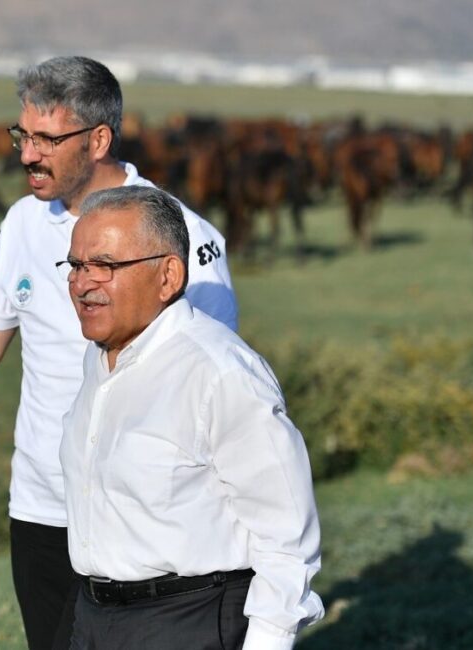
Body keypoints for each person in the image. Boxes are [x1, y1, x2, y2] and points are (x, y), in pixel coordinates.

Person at [0, 56, 240, 650]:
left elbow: (220, 391)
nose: (26, 154)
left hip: (140, 523)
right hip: (39, 511)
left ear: (99, 139)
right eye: (23, 135)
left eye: (46, 139)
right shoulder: (22, 224)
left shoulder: (183, 240)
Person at [59, 185, 323, 650]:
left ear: (168, 276)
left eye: (105, 266)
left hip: (188, 623)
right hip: (94, 617)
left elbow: (286, 537)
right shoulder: (100, 359)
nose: (82, 284)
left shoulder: (219, 373)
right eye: (76, 266)